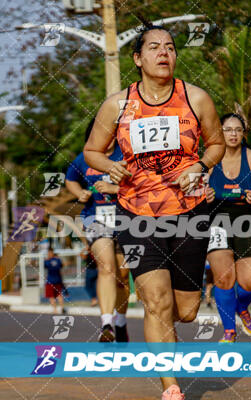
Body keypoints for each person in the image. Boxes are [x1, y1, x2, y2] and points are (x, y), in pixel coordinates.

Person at [84, 24, 225, 399]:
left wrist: (201, 166)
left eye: (170, 48)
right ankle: (171, 387)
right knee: (156, 301)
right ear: (138, 58)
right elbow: (92, 151)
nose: (164, 53)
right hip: (136, 214)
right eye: (154, 47)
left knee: (186, 310)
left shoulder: (196, 99)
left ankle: (166, 337)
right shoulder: (117, 104)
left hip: (189, 213)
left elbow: (215, 144)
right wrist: (108, 165)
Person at [205, 112, 251, 342]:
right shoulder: (209, 160)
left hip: (246, 219)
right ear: (219, 132)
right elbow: (191, 188)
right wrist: (203, 194)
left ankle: (241, 307)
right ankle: (229, 331)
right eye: (227, 130)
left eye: (237, 130)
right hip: (217, 219)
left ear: (243, 134)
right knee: (224, 278)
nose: (233, 134)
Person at [66, 118, 130, 342]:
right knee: (107, 268)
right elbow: (70, 179)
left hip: (126, 217)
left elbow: (141, 184)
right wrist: (79, 193)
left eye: (110, 131)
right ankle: (107, 324)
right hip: (96, 217)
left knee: (122, 275)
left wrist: (115, 188)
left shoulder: (126, 154)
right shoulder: (85, 157)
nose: (106, 136)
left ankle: (121, 323)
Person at [44, 247, 66, 314]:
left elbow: (45, 266)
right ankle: (62, 308)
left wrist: (47, 259)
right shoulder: (58, 260)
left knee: (51, 296)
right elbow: (62, 265)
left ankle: (55, 310)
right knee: (59, 295)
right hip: (58, 280)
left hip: (50, 281)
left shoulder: (47, 261)